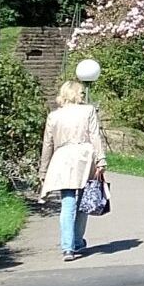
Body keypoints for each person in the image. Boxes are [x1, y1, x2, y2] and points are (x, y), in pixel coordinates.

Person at [38, 79, 109, 261]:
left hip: (62, 158)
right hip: (84, 157)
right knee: (84, 200)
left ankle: (67, 248)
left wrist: (43, 171)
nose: (83, 95)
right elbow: (95, 135)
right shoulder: (88, 111)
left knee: (67, 202)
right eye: (81, 92)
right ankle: (77, 241)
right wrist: (101, 159)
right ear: (76, 93)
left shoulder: (54, 116)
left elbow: (48, 144)